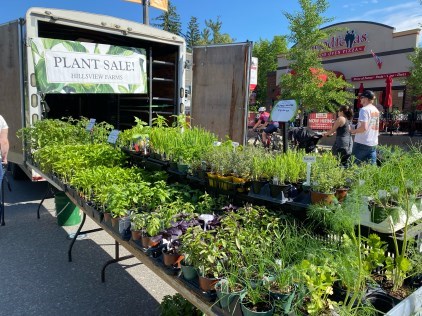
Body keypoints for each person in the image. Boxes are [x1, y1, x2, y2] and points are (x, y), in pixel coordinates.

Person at [350, 90, 380, 165]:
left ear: (366, 99)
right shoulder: (376, 110)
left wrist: (352, 131)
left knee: (353, 165)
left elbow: (364, 128)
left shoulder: (364, 110)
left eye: (361, 97)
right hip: (373, 143)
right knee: (371, 169)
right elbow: (371, 126)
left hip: (362, 142)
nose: (360, 99)